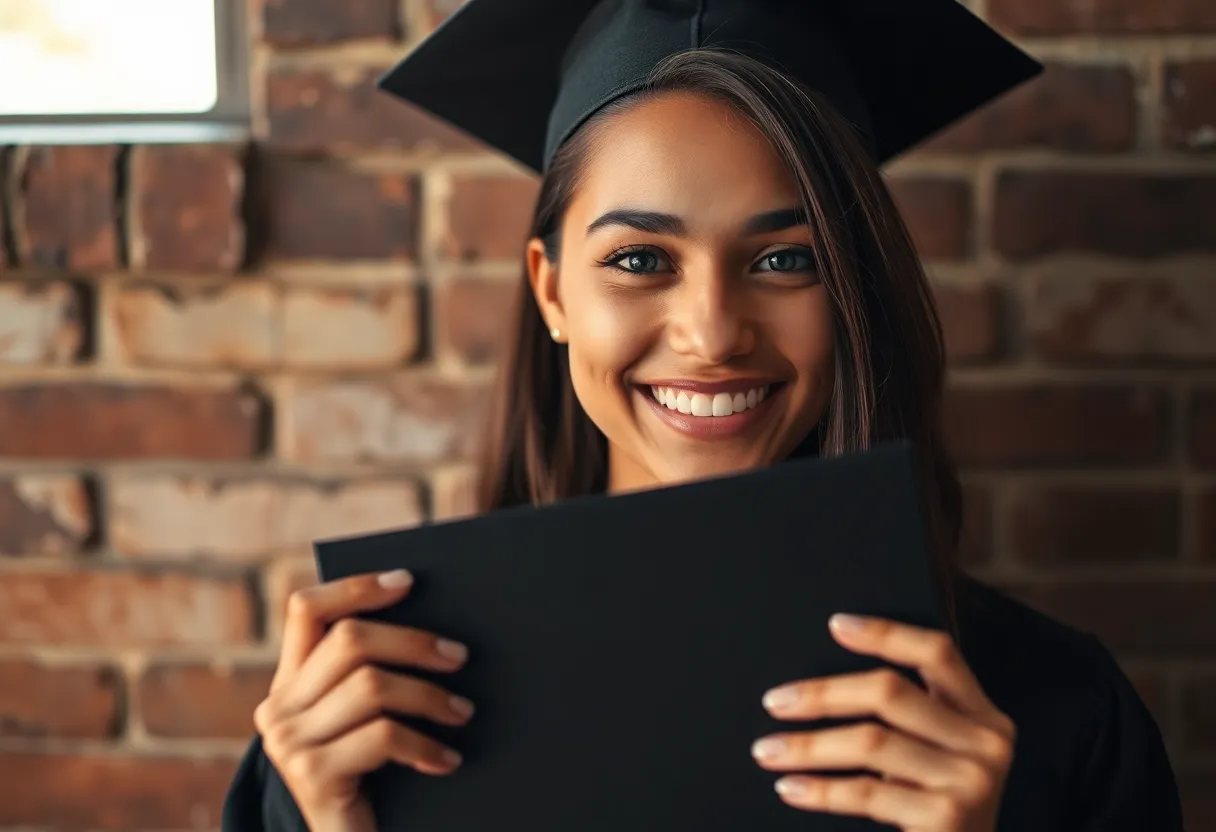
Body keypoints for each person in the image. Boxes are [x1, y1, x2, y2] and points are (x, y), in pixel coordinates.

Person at [222, 0, 1185, 829]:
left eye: (784, 259)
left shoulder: (1054, 721)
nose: (714, 333)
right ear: (552, 292)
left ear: (857, 289)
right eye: (640, 259)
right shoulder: (374, 716)